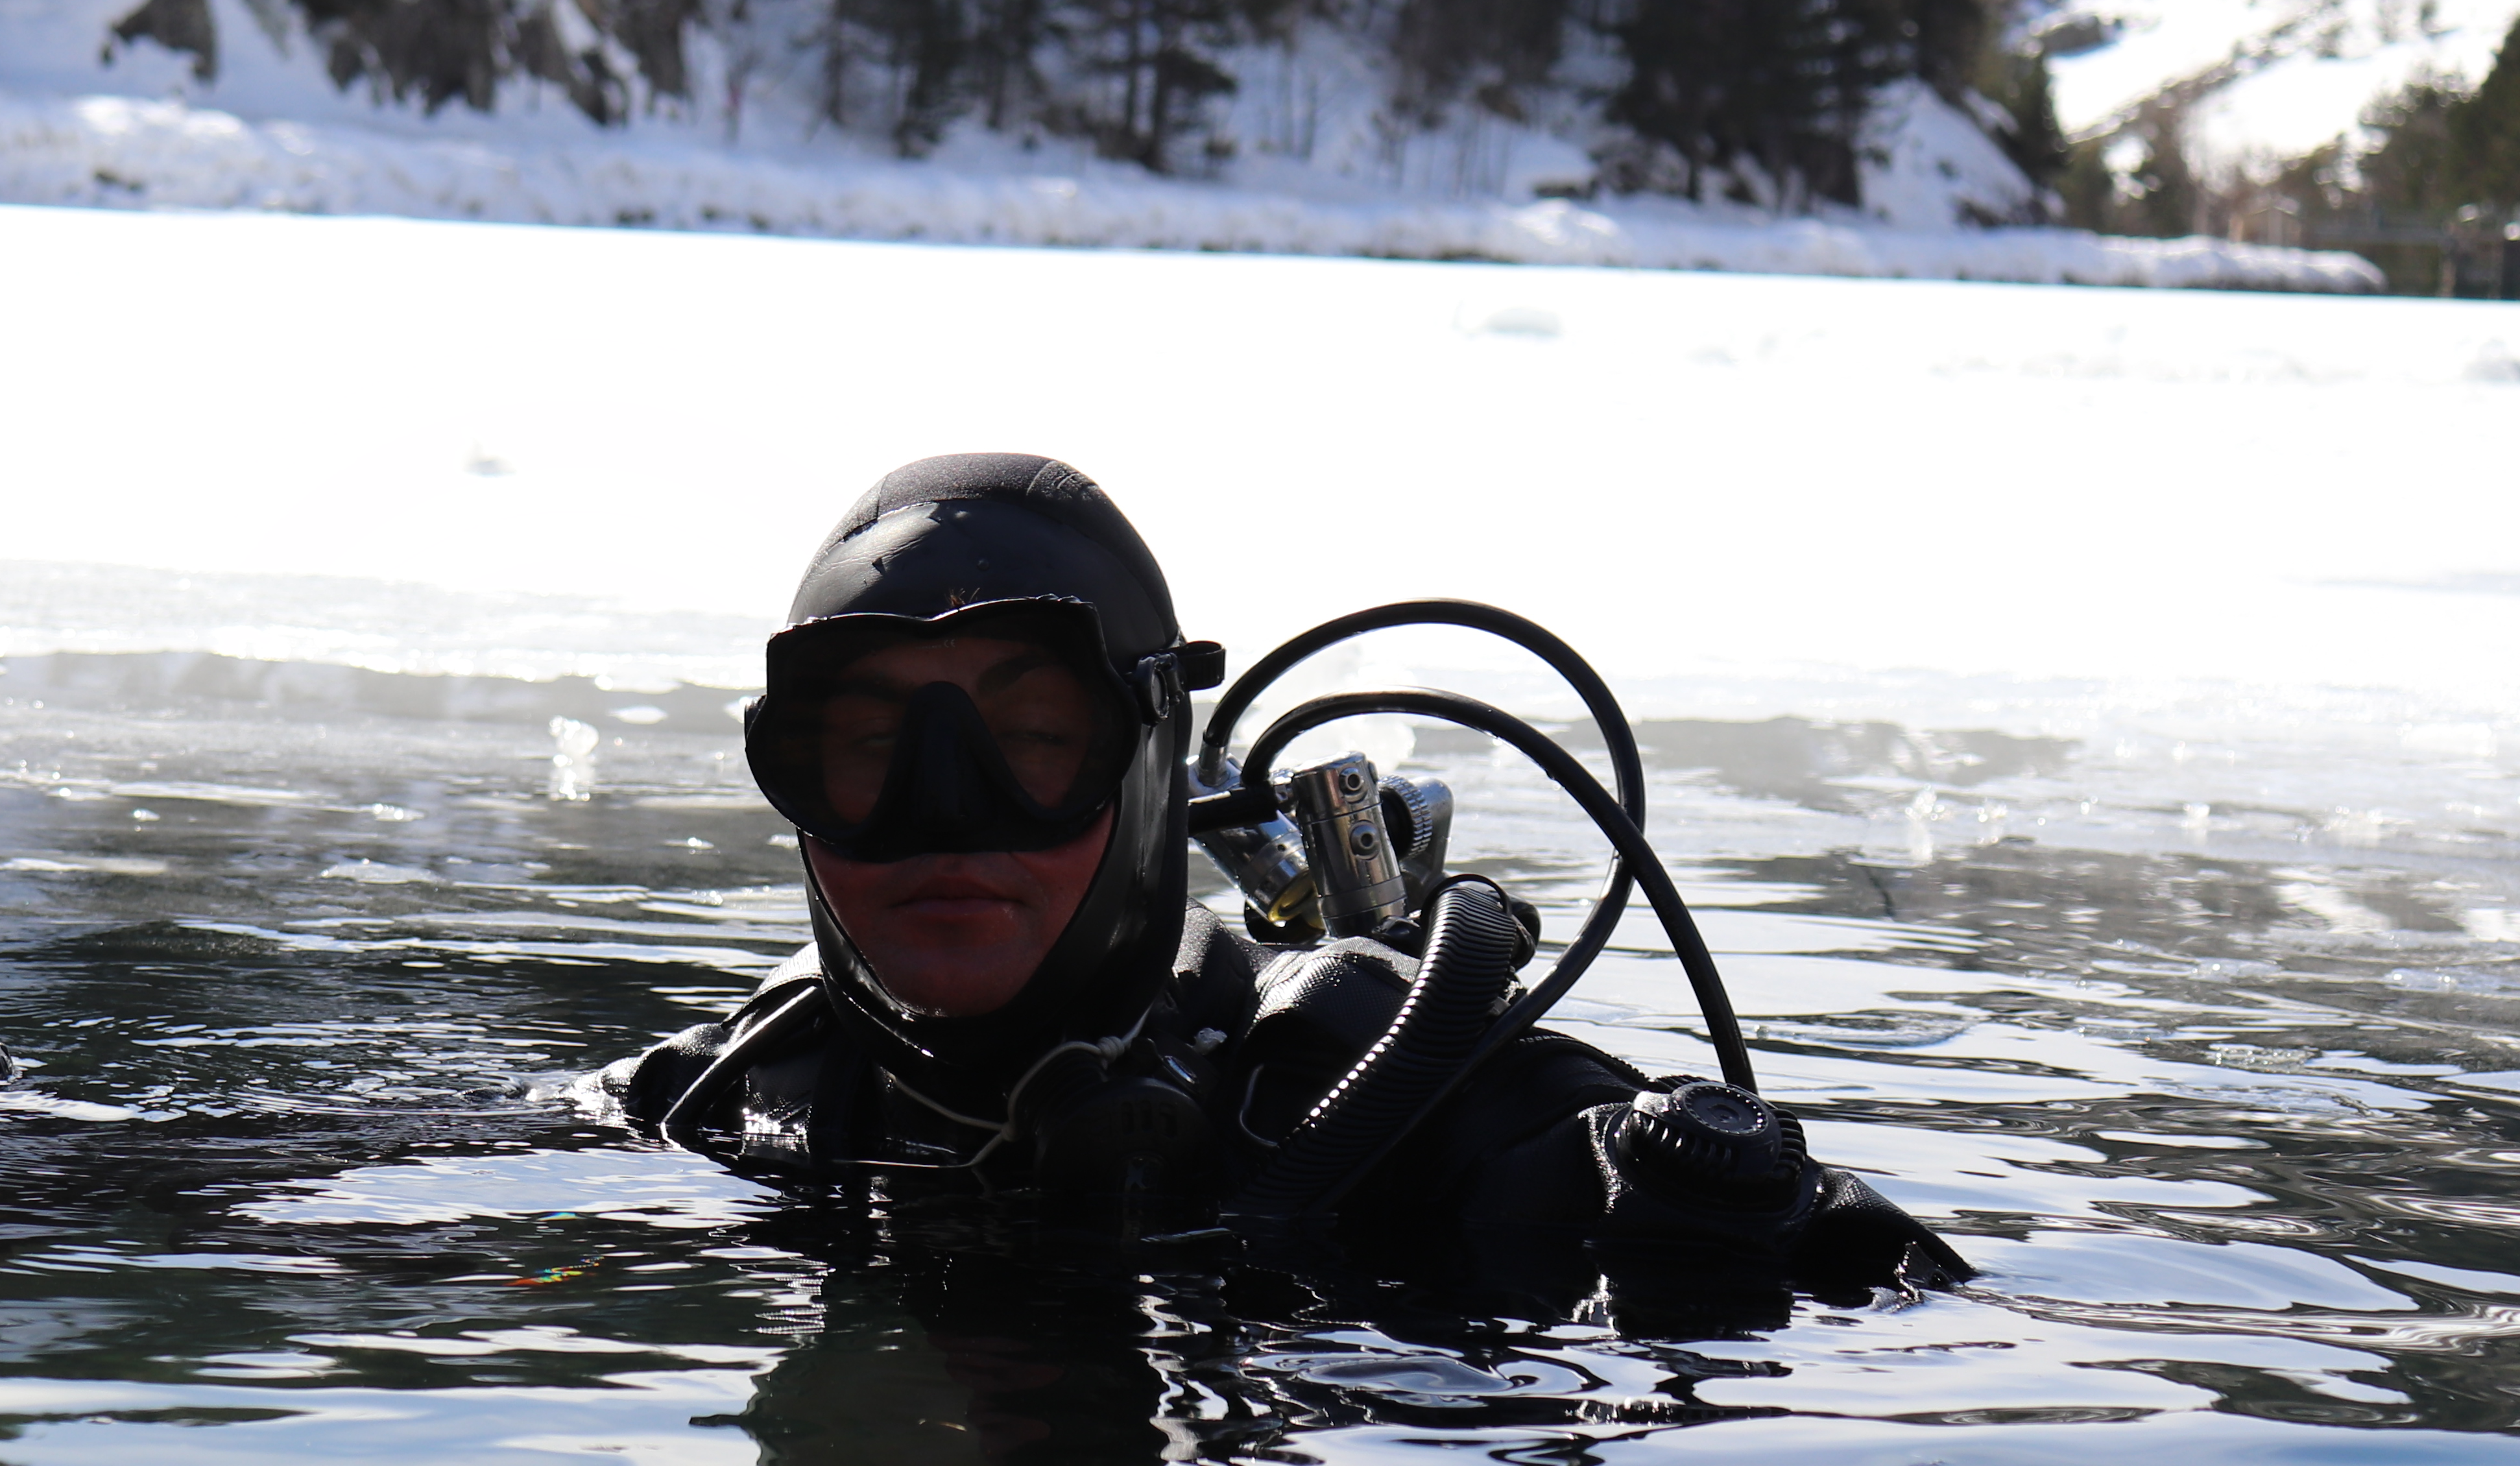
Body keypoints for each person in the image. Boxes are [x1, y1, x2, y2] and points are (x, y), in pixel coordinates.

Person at [600, 452, 1952, 1321]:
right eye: (870, 748)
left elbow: (1896, 1311)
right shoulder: (731, 1091)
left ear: (1148, 767)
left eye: (1030, 743)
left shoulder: (1387, 1098)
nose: (946, 815)